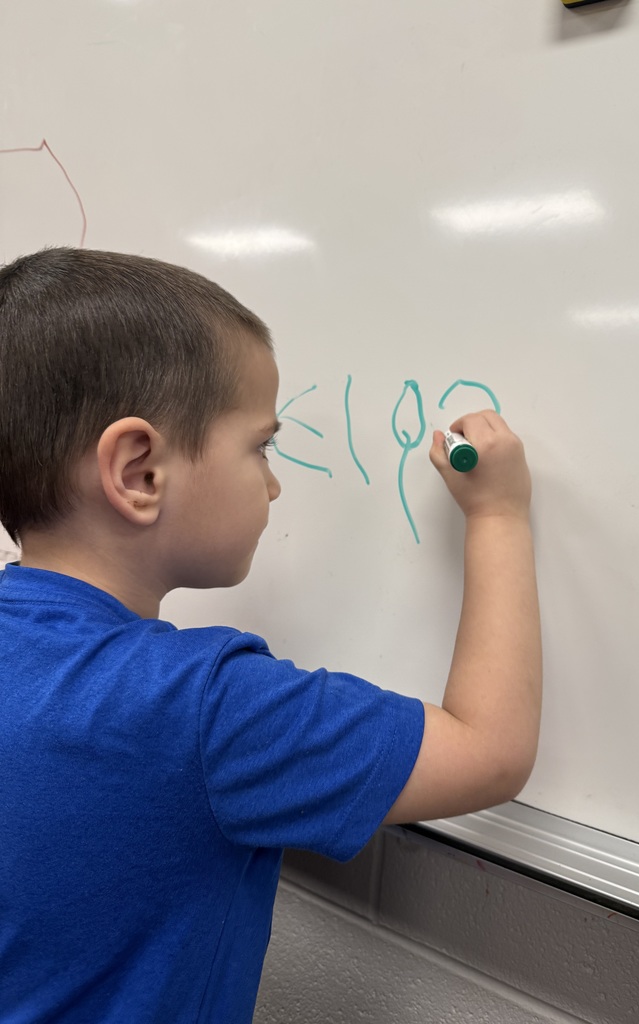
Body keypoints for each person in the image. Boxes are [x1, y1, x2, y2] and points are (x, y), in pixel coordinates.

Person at [0, 248, 541, 1024]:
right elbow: (490, 750)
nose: (276, 481)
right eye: (262, 446)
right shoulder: (204, 709)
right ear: (139, 472)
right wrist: (499, 516)